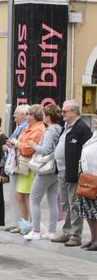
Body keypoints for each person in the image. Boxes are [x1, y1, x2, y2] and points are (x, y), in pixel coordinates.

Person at [51, 100, 92, 246]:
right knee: (65, 203)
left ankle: (75, 235)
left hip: (73, 172)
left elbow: (86, 151)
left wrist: (80, 171)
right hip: (62, 170)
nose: (62, 114)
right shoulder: (66, 127)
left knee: (74, 203)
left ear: (74, 112)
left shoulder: (82, 128)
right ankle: (67, 231)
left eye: (64, 111)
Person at [24, 104, 62, 240]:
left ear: (49, 117)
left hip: (46, 169)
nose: (43, 118)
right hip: (55, 169)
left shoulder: (50, 130)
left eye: (45, 115)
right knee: (52, 200)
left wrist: (33, 145)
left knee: (33, 199)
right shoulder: (60, 129)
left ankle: (36, 230)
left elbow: (46, 149)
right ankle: (51, 231)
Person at [6, 104, 46, 234]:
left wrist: (17, 144)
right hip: (23, 164)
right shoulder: (28, 127)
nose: (26, 116)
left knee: (29, 197)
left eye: (28, 114)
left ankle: (33, 226)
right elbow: (23, 143)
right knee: (19, 195)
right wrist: (18, 144)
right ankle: (25, 224)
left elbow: (29, 148)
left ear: (33, 116)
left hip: (31, 165)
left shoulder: (39, 129)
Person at [4, 104, 29, 232]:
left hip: (19, 164)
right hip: (14, 163)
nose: (14, 116)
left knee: (19, 196)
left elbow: (17, 143)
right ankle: (17, 222)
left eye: (16, 114)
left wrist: (11, 143)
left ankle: (20, 223)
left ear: (23, 115)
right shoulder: (20, 126)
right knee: (16, 195)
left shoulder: (24, 127)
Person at [76, 113, 97, 251]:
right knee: (88, 212)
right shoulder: (94, 134)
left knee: (95, 212)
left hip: (95, 177)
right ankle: (93, 238)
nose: (95, 120)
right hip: (87, 178)